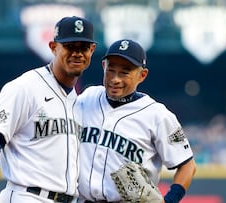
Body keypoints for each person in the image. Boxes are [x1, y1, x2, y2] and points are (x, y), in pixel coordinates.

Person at [0, 16, 97, 203]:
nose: (77, 53)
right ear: (53, 47)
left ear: (92, 50)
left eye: (83, 47)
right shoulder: (25, 87)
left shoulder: (79, 103)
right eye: (70, 46)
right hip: (26, 196)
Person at [76, 39, 196, 203]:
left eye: (125, 72)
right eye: (111, 70)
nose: (115, 79)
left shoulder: (158, 115)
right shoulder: (88, 97)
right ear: (103, 66)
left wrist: (170, 200)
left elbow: (187, 166)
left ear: (142, 75)